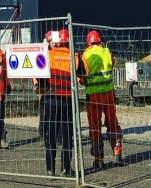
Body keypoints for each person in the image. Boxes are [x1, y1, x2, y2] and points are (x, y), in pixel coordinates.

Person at [43, 28, 83, 178]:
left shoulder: (47, 55)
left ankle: (50, 170)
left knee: (51, 135)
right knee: (67, 137)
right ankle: (66, 169)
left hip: (50, 100)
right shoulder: (75, 56)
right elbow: (82, 76)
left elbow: (40, 77)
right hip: (67, 100)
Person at [82, 30, 123, 169]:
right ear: (100, 41)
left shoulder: (86, 55)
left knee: (95, 125)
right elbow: (112, 64)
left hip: (93, 95)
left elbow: (82, 77)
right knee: (112, 121)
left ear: (88, 42)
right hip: (109, 93)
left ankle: (98, 159)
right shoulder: (107, 52)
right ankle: (117, 151)